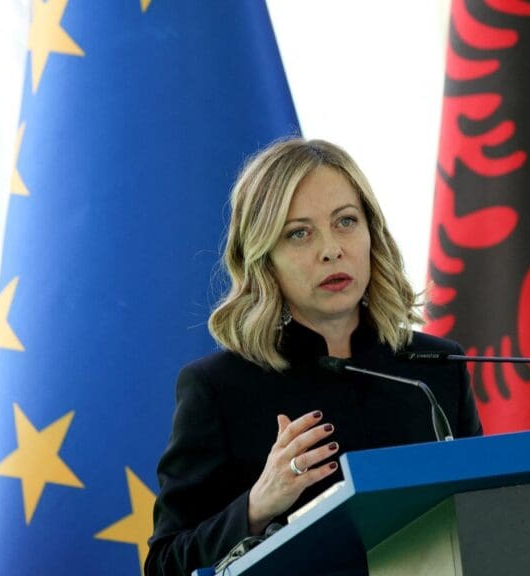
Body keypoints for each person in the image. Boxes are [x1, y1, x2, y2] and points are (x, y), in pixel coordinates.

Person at [145, 138, 482, 576]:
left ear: (372, 235)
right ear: (265, 260)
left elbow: (485, 516)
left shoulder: (436, 369)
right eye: (299, 233)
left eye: (345, 221)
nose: (330, 249)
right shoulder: (219, 388)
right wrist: (257, 505)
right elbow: (164, 565)